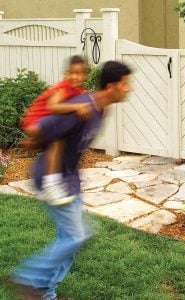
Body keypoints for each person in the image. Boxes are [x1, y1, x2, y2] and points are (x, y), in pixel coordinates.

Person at [10, 60, 132, 300]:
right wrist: (52, 172)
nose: (128, 89)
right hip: (51, 178)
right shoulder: (81, 107)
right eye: (125, 84)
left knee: (71, 241)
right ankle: (27, 279)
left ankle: (47, 294)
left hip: (70, 179)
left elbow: (70, 141)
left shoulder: (100, 109)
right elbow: (40, 128)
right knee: (76, 236)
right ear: (111, 86)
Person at [20, 55, 91, 205]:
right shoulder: (64, 87)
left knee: (58, 145)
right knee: (57, 142)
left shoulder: (77, 90)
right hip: (36, 121)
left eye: (79, 73)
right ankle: (50, 186)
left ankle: (46, 182)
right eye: (72, 73)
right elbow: (53, 106)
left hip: (43, 122)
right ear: (66, 73)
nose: (75, 77)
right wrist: (77, 107)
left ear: (85, 75)